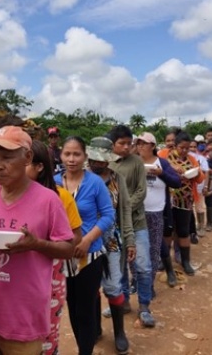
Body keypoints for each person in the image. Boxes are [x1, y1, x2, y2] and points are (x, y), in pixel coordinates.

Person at [0, 126, 74, 355]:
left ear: (28, 157)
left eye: (6, 158)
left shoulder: (48, 200)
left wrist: (36, 244)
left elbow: (68, 249)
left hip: (23, 318)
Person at [53, 136, 118, 355]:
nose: (71, 159)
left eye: (76, 154)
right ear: (61, 155)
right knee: (71, 305)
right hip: (62, 256)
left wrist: (87, 239)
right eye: (67, 154)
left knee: (85, 309)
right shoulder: (54, 182)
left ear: (85, 157)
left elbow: (108, 215)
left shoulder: (94, 182)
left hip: (88, 255)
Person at [27, 140, 82, 355]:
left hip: (50, 272)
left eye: (24, 162)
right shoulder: (9, 195)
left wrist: (46, 244)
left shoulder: (60, 197)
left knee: (47, 331)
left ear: (39, 167)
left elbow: (76, 235)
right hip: (20, 272)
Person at [107, 125, 155, 321]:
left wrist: (123, 207)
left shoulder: (136, 162)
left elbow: (141, 192)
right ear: (113, 145)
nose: (126, 147)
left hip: (136, 222)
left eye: (129, 143)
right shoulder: (107, 164)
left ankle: (144, 305)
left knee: (143, 266)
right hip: (114, 226)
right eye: (122, 143)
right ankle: (123, 301)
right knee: (119, 267)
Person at [136, 132, 182, 292]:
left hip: (157, 212)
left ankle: (149, 284)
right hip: (137, 214)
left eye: (144, 143)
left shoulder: (161, 163)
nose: (140, 146)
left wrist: (161, 173)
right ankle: (142, 281)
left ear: (153, 146)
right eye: (138, 143)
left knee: (154, 249)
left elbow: (177, 182)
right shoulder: (134, 163)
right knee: (141, 248)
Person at [165, 132, 204, 276]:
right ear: (175, 146)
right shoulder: (165, 156)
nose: (184, 151)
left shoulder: (192, 159)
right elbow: (160, 170)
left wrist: (196, 173)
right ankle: (165, 262)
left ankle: (186, 261)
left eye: (187, 148)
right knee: (167, 231)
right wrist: (172, 169)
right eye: (181, 147)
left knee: (183, 231)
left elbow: (200, 178)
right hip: (168, 200)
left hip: (185, 201)